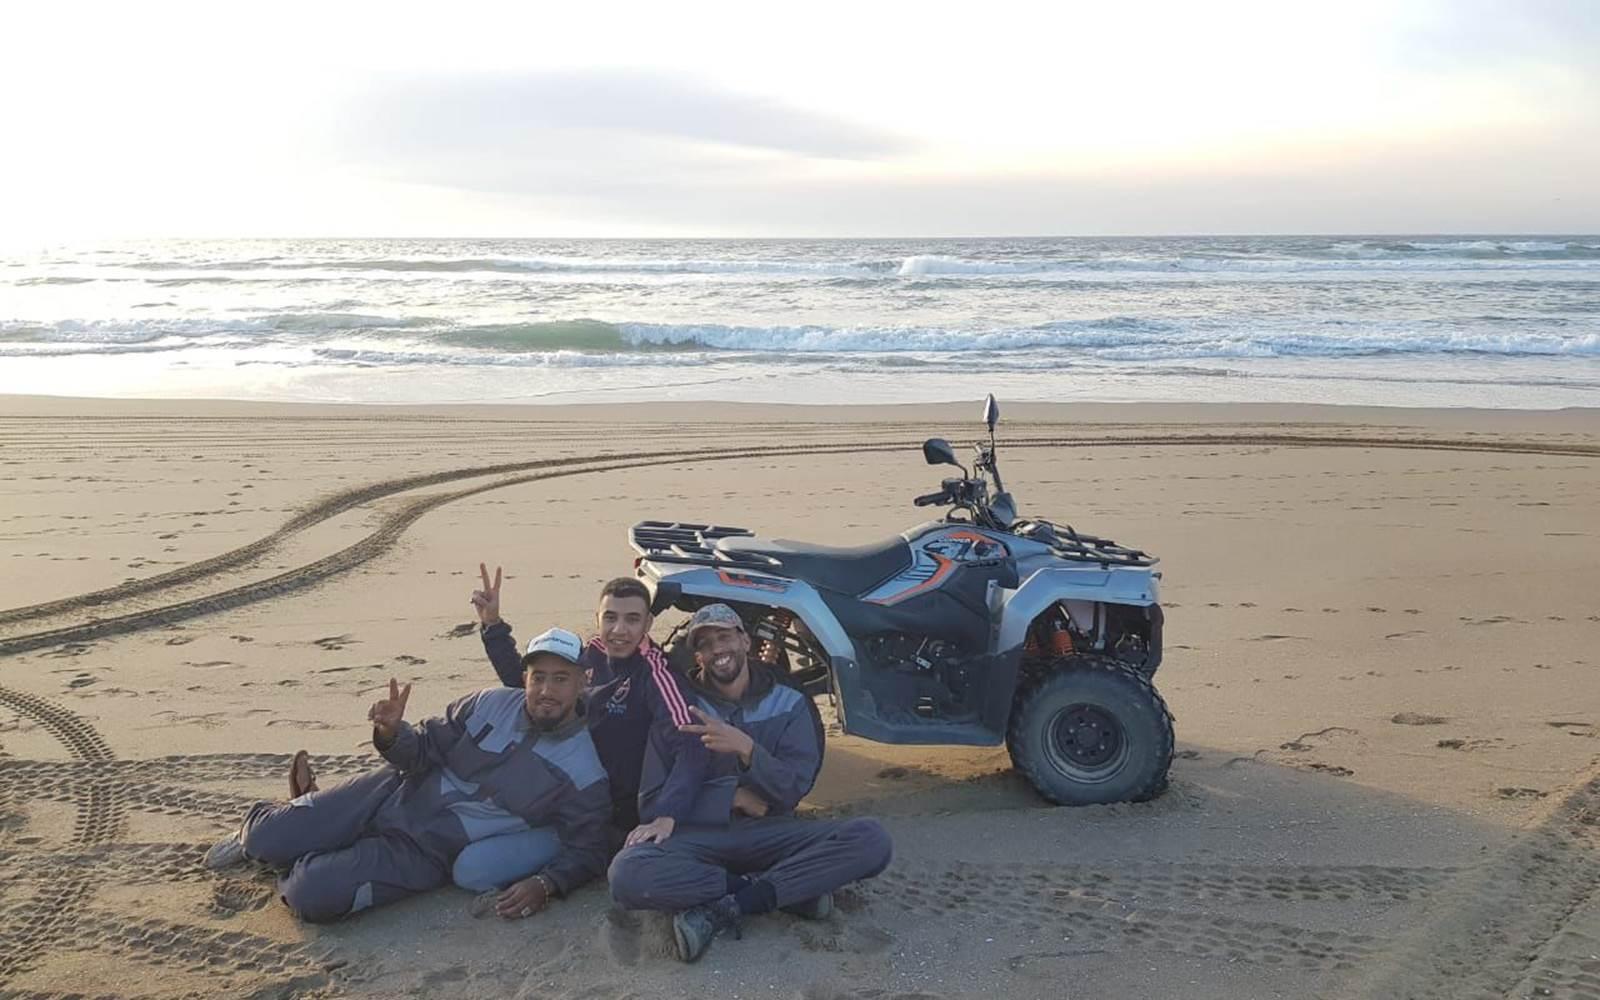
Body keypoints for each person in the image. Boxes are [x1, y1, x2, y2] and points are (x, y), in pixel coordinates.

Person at [201, 628, 611, 924]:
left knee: (313, 896)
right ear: (524, 678)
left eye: (561, 679)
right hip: (389, 791)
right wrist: (392, 733)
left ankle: (304, 846)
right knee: (262, 838)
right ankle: (274, 829)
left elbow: (587, 849)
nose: (546, 690)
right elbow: (420, 752)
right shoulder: (487, 704)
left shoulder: (585, 770)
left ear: (583, 681)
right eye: (538, 677)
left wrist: (548, 883)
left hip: (426, 851)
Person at [606, 603, 893, 963]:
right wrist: (729, 797)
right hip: (698, 840)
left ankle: (724, 907)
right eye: (706, 643)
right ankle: (777, 891)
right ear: (698, 656)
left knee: (871, 839)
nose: (717, 650)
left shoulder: (789, 702)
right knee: (627, 873)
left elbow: (794, 787)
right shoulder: (680, 708)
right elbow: (651, 803)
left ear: (744, 640)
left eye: (724, 637)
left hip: (772, 833)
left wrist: (747, 749)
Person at [460, 566, 707, 895]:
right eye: (610, 618)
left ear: (648, 624)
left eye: (632, 619)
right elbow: (533, 689)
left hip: (600, 816)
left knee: (473, 870)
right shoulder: (591, 654)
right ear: (598, 617)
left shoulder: (657, 675)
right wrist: (493, 627)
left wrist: (666, 815)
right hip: (553, 788)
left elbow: (692, 745)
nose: (619, 630)